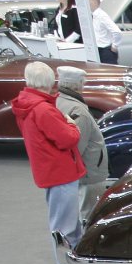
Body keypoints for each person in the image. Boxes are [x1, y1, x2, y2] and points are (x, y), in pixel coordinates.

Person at [12, 62, 91, 264]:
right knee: (65, 223)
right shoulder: (43, 109)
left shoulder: (27, 105)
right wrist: (71, 125)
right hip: (60, 170)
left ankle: (72, 261)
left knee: (62, 218)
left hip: (49, 169)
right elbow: (68, 138)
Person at [54, 66, 107, 221]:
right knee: (89, 214)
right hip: (89, 172)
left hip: (76, 173)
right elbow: (77, 146)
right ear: (78, 85)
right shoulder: (78, 110)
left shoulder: (58, 101)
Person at [87, 0, 121, 64]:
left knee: (110, 70)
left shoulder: (102, 16)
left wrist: (115, 46)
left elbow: (116, 31)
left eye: (87, 1)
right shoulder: (92, 15)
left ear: (94, 2)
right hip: (97, 50)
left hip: (105, 51)